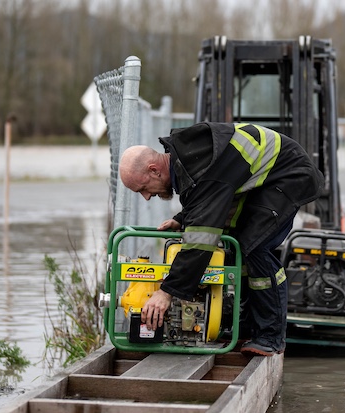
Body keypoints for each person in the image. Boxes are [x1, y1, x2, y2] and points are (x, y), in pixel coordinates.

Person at [118, 122, 324, 356]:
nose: (146, 197)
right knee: (238, 249)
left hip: (288, 175)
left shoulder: (198, 167)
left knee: (255, 248)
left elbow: (200, 243)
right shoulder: (186, 159)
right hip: (265, 180)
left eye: (143, 188)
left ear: (154, 170)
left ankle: (271, 336)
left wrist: (166, 292)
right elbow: (207, 198)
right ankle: (246, 326)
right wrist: (182, 218)